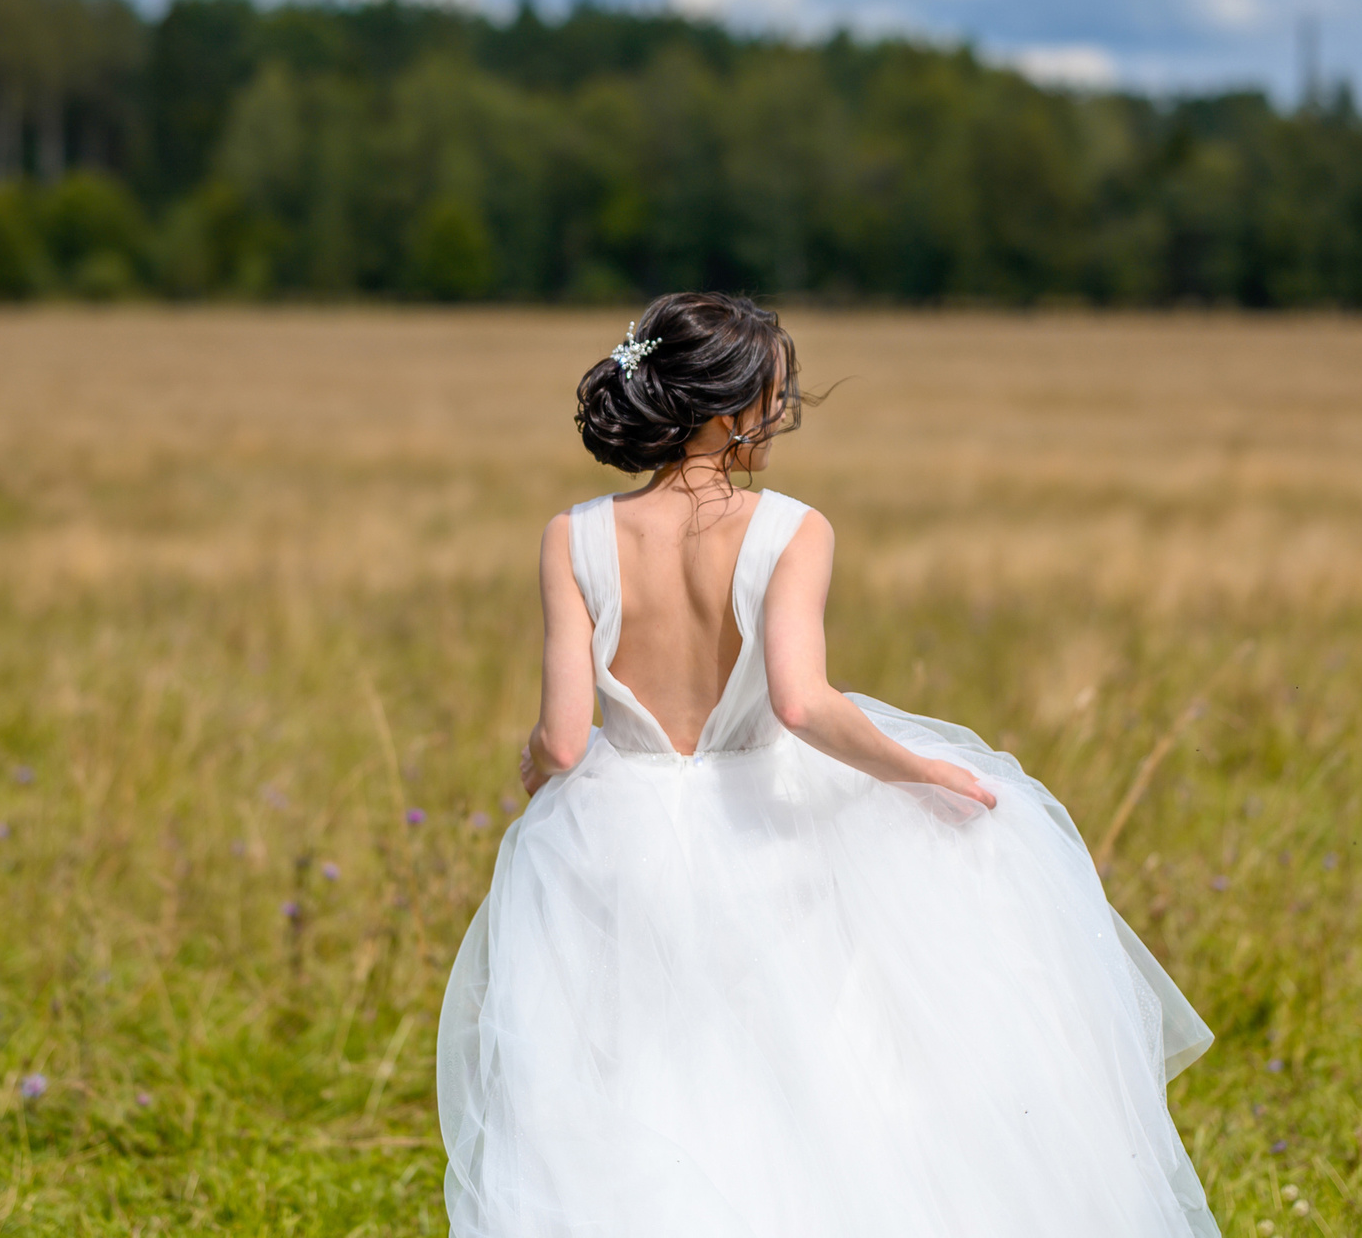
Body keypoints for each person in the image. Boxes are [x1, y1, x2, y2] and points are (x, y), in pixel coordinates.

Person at [438, 292, 1220, 1238]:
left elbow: (563, 741)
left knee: (637, 1076)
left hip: (615, 832)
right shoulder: (792, 529)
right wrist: (922, 772)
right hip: (761, 825)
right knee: (792, 1074)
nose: (781, 415)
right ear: (723, 410)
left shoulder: (575, 533)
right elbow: (802, 703)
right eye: (771, 397)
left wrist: (534, 765)